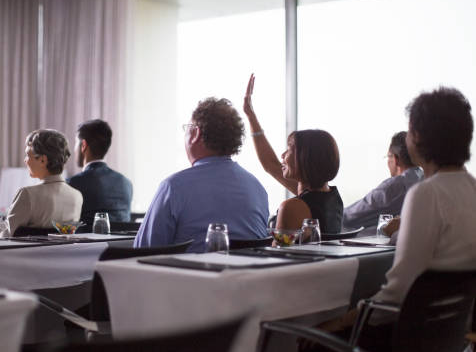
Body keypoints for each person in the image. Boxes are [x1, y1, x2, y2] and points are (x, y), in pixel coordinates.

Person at [299, 86, 476, 352]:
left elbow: (398, 293)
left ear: (418, 137)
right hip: (451, 349)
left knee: (312, 342)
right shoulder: (471, 189)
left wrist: (343, 320)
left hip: (405, 350)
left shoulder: (426, 194)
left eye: (408, 131)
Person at [134, 97, 269, 252]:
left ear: (196, 133)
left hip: (191, 275)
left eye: (187, 128)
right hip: (249, 275)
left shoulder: (174, 187)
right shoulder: (257, 188)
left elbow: (143, 251)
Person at [244, 74, 343, 233]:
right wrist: (251, 116)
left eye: (289, 149)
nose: (282, 155)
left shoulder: (293, 207)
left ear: (306, 159)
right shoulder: (331, 198)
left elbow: (279, 254)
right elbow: (271, 165)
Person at [343, 132, 423, 233]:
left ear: (396, 159)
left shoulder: (395, 186)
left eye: (388, 156)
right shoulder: (425, 180)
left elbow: (351, 215)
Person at [6, 129, 82, 236]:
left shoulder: (27, 194)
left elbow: (7, 236)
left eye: (28, 155)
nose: (25, 160)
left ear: (42, 160)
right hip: (63, 253)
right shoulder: (77, 196)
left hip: (28, 253)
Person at [67, 119, 133, 227]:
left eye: (75, 143)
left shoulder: (72, 184)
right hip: (122, 243)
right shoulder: (126, 183)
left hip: (87, 243)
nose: (74, 150)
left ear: (83, 145)